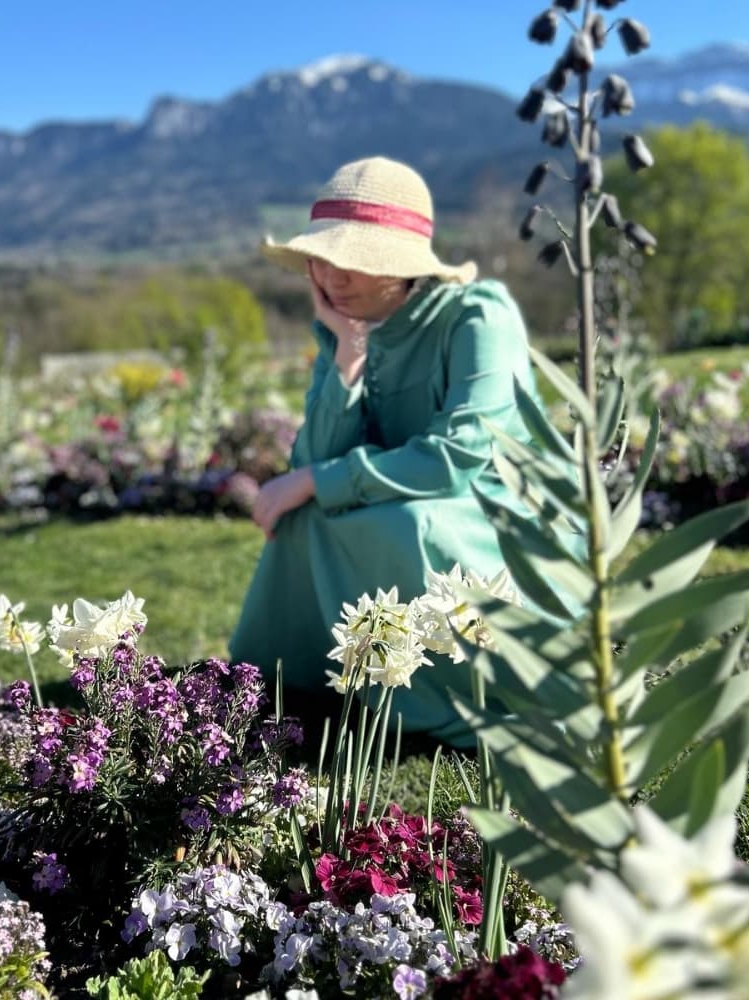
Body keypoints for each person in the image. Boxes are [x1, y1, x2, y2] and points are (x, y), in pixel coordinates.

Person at [228, 156, 543, 747]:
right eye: (322, 257)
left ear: (402, 264)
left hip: (494, 515)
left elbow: (460, 457)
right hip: (399, 497)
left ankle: (442, 695)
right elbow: (316, 457)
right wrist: (348, 355)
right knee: (310, 513)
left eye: (356, 259)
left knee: (407, 522)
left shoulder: (478, 316)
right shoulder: (345, 328)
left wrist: (320, 479)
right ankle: (299, 680)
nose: (333, 277)